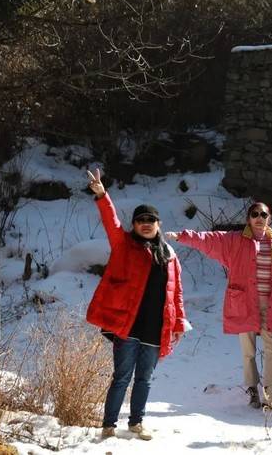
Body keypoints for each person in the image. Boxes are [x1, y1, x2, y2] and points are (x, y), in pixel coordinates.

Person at [165, 202, 272, 409]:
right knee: (248, 350)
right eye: (255, 214)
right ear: (249, 218)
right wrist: (182, 236)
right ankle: (252, 389)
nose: (259, 218)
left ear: (269, 218)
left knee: (271, 349)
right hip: (244, 303)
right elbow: (208, 240)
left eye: (263, 215)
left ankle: (271, 391)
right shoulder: (234, 240)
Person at [85, 168, 190, 441]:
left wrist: (179, 323)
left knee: (145, 378)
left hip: (155, 327)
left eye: (150, 220)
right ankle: (109, 425)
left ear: (158, 224)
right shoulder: (124, 245)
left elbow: (176, 293)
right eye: (140, 220)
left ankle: (136, 423)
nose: (145, 224)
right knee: (122, 376)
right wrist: (102, 195)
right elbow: (111, 222)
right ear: (134, 224)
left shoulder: (170, 255)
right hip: (127, 324)